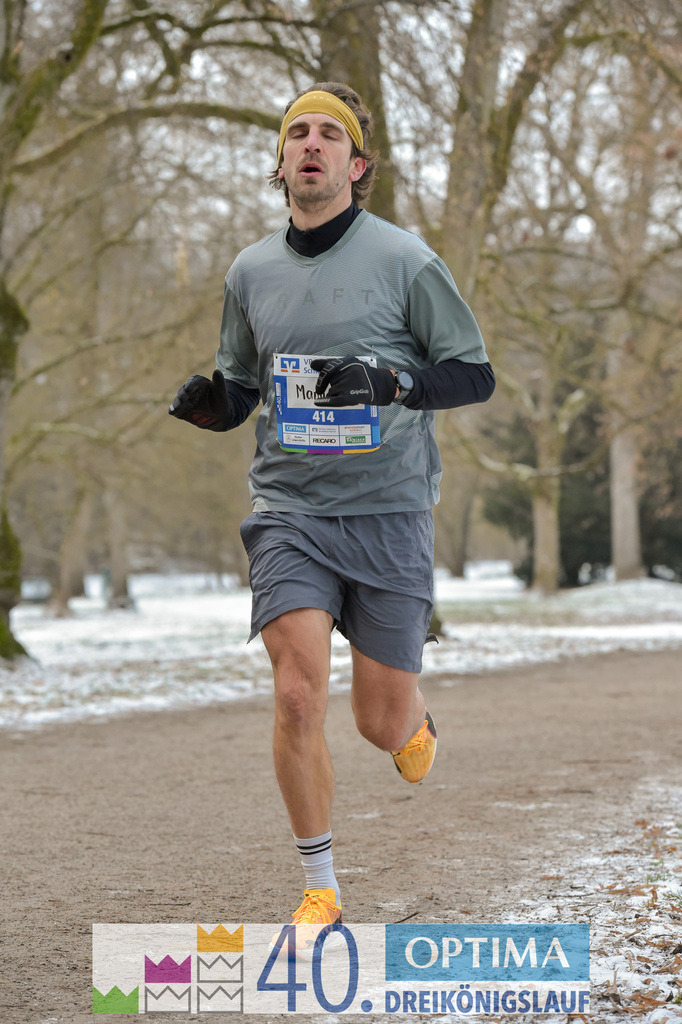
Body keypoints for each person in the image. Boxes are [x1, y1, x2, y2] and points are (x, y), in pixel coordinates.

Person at [170, 82, 495, 933]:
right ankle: (321, 888)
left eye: (329, 136)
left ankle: (411, 722)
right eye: (296, 135)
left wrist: (392, 380)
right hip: (290, 508)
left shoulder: (405, 260)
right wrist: (215, 403)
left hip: (389, 507)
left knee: (378, 722)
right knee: (295, 696)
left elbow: (473, 372)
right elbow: (243, 383)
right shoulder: (250, 271)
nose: (310, 145)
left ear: (357, 166)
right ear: (281, 166)